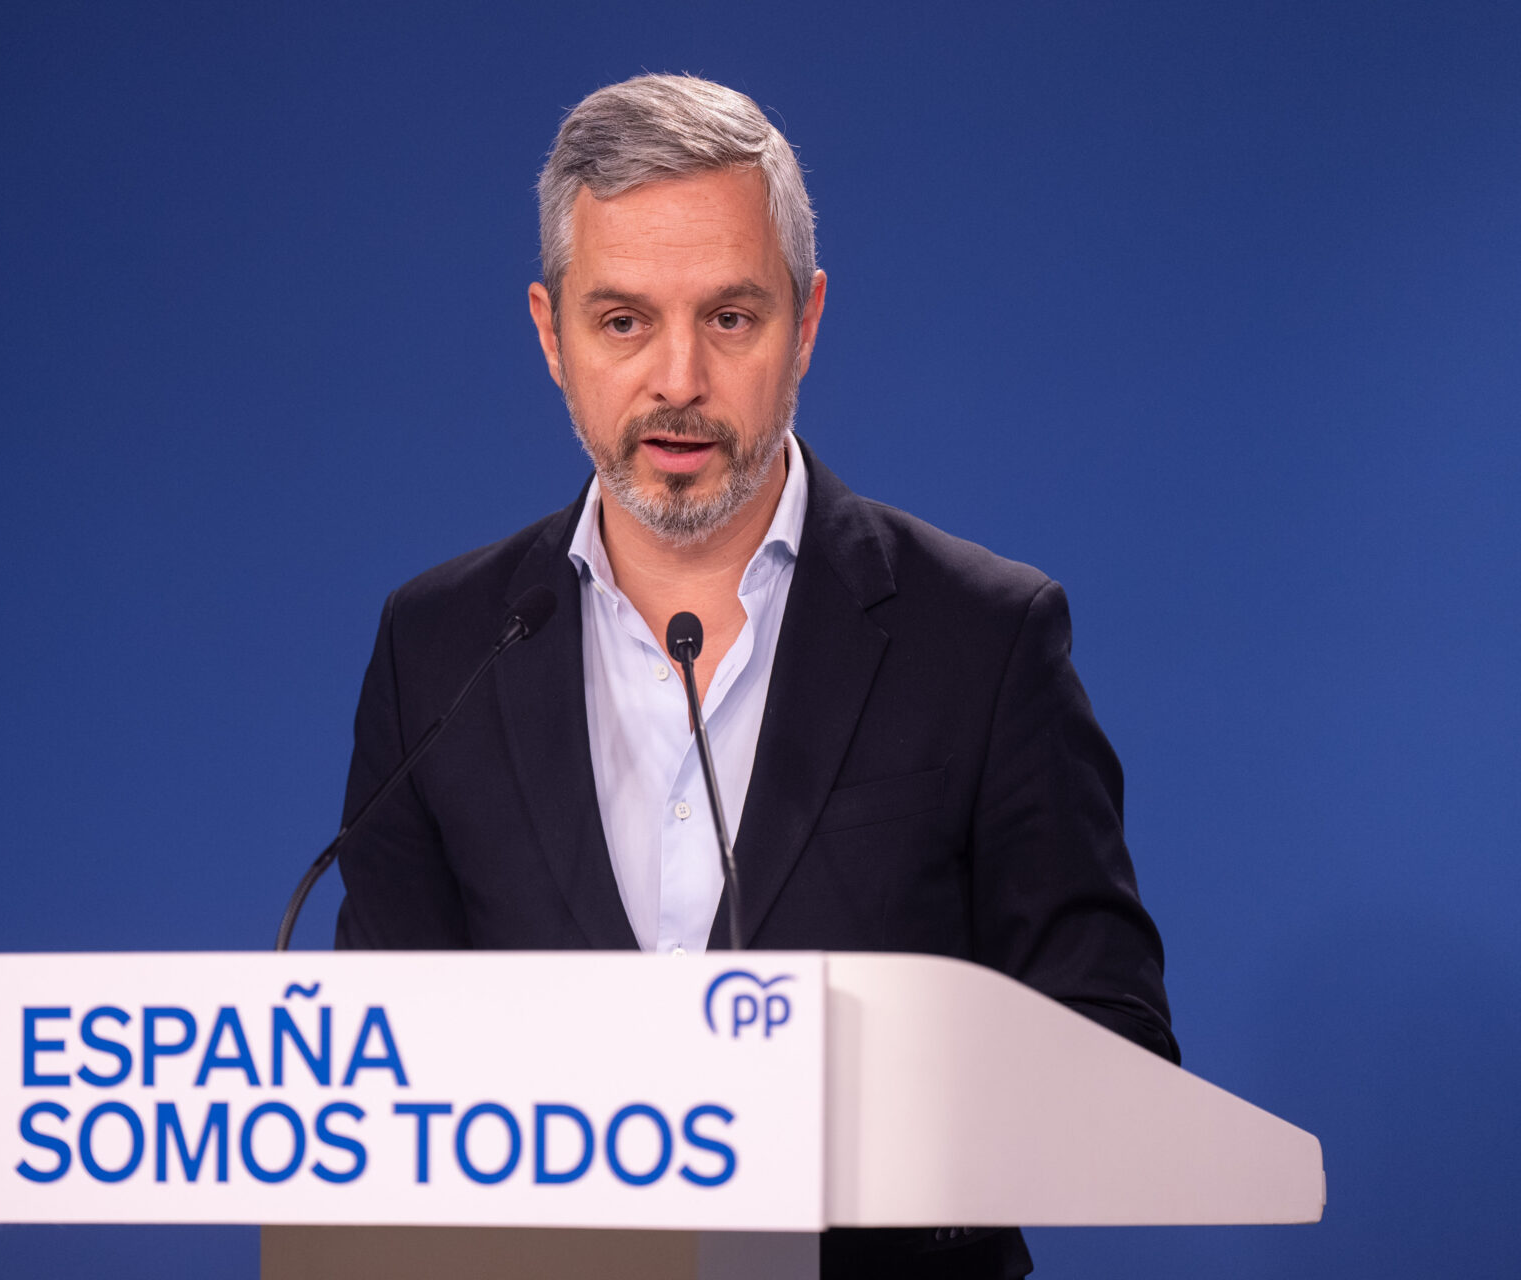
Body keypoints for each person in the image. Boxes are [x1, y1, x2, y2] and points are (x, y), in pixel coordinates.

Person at [333, 73, 1174, 1279]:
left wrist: (835, 1121)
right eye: (624, 321)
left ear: (807, 322)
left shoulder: (984, 637)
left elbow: (1114, 1040)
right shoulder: (438, 647)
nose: (678, 379)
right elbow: (375, 1074)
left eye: (730, 317)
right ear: (551, 334)